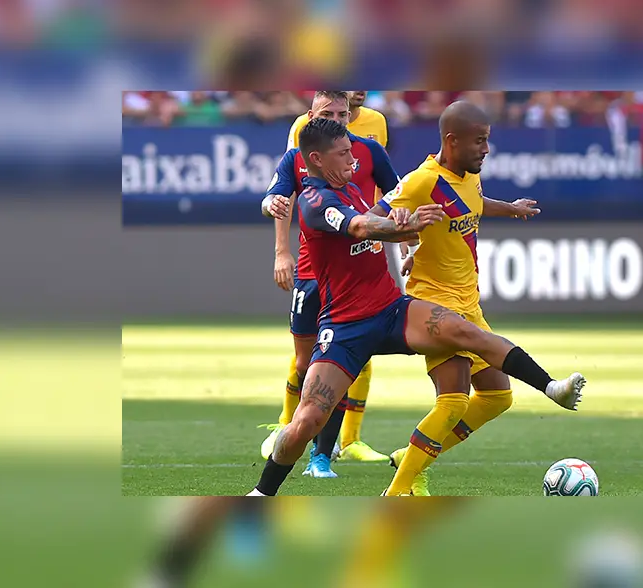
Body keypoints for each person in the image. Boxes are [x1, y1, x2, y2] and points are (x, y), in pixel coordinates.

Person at [250, 118, 585, 496]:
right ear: (317, 158)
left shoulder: (350, 186)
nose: (353, 160)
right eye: (344, 154)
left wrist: (406, 227)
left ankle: (551, 387)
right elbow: (360, 228)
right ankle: (262, 493)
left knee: (466, 332)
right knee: (307, 420)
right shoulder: (315, 201)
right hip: (345, 326)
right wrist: (405, 229)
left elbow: (382, 218)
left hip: (392, 309)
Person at [376, 100, 558, 496]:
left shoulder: (468, 174)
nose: (486, 149)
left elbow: (472, 204)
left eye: (487, 140)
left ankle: (414, 457)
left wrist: (510, 208)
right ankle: (398, 490)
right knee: (453, 403)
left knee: (496, 397)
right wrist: (400, 230)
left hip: (468, 303)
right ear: (451, 140)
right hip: (435, 303)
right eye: (479, 141)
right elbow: (376, 217)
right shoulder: (421, 180)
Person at [260, 91, 395, 472]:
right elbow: (274, 197)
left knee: (345, 358)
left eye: (343, 112)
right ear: (311, 115)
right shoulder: (299, 155)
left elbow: (397, 192)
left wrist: (396, 236)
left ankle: (324, 452)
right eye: (328, 113)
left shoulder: (369, 151)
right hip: (310, 269)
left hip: (353, 267)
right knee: (306, 361)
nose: (338, 118)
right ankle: (293, 430)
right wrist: (281, 250)